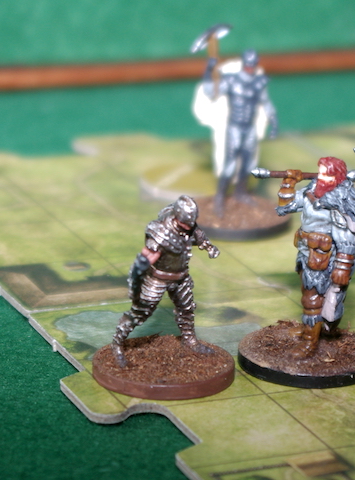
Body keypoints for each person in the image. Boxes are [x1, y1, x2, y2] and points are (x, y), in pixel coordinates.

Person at [112, 195, 220, 368]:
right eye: (186, 222)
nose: (190, 226)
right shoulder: (161, 234)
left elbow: (198, 236)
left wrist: (209, 247)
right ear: (177, 217)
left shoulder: (189, 227)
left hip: (181, 277)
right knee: (141, 312)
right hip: (157, 279)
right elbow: (145, 258)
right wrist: (136, 281)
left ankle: (189, 340)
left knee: (187, 309)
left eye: (191, 222)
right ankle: (117, 343)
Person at [276, 157, 355, 358]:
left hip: (324, 258)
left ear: (337, 178)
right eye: (320, 172)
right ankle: (311, 328)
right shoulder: (312, 191)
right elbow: (286, 207)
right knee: (308, 293)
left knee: (313, 299)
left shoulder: (339, 201)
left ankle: (310, 342)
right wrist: (289, 183)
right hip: (307, 252)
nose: (321, 176)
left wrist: (342, 266)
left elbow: (347, 236)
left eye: (326, 174)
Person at [202, 49, 278, 216]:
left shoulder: (258, 83)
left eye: (253, 64)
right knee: (229, 166)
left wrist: (274, 122)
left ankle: (241, 193)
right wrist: (208, 70)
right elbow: (210, 91)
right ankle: (220, 197)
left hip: (249, 128)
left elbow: (266, 102)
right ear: (244, 63)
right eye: (248, 64)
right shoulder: (231, 80)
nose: (250, 67)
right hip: (235, 127)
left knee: (248, 164)